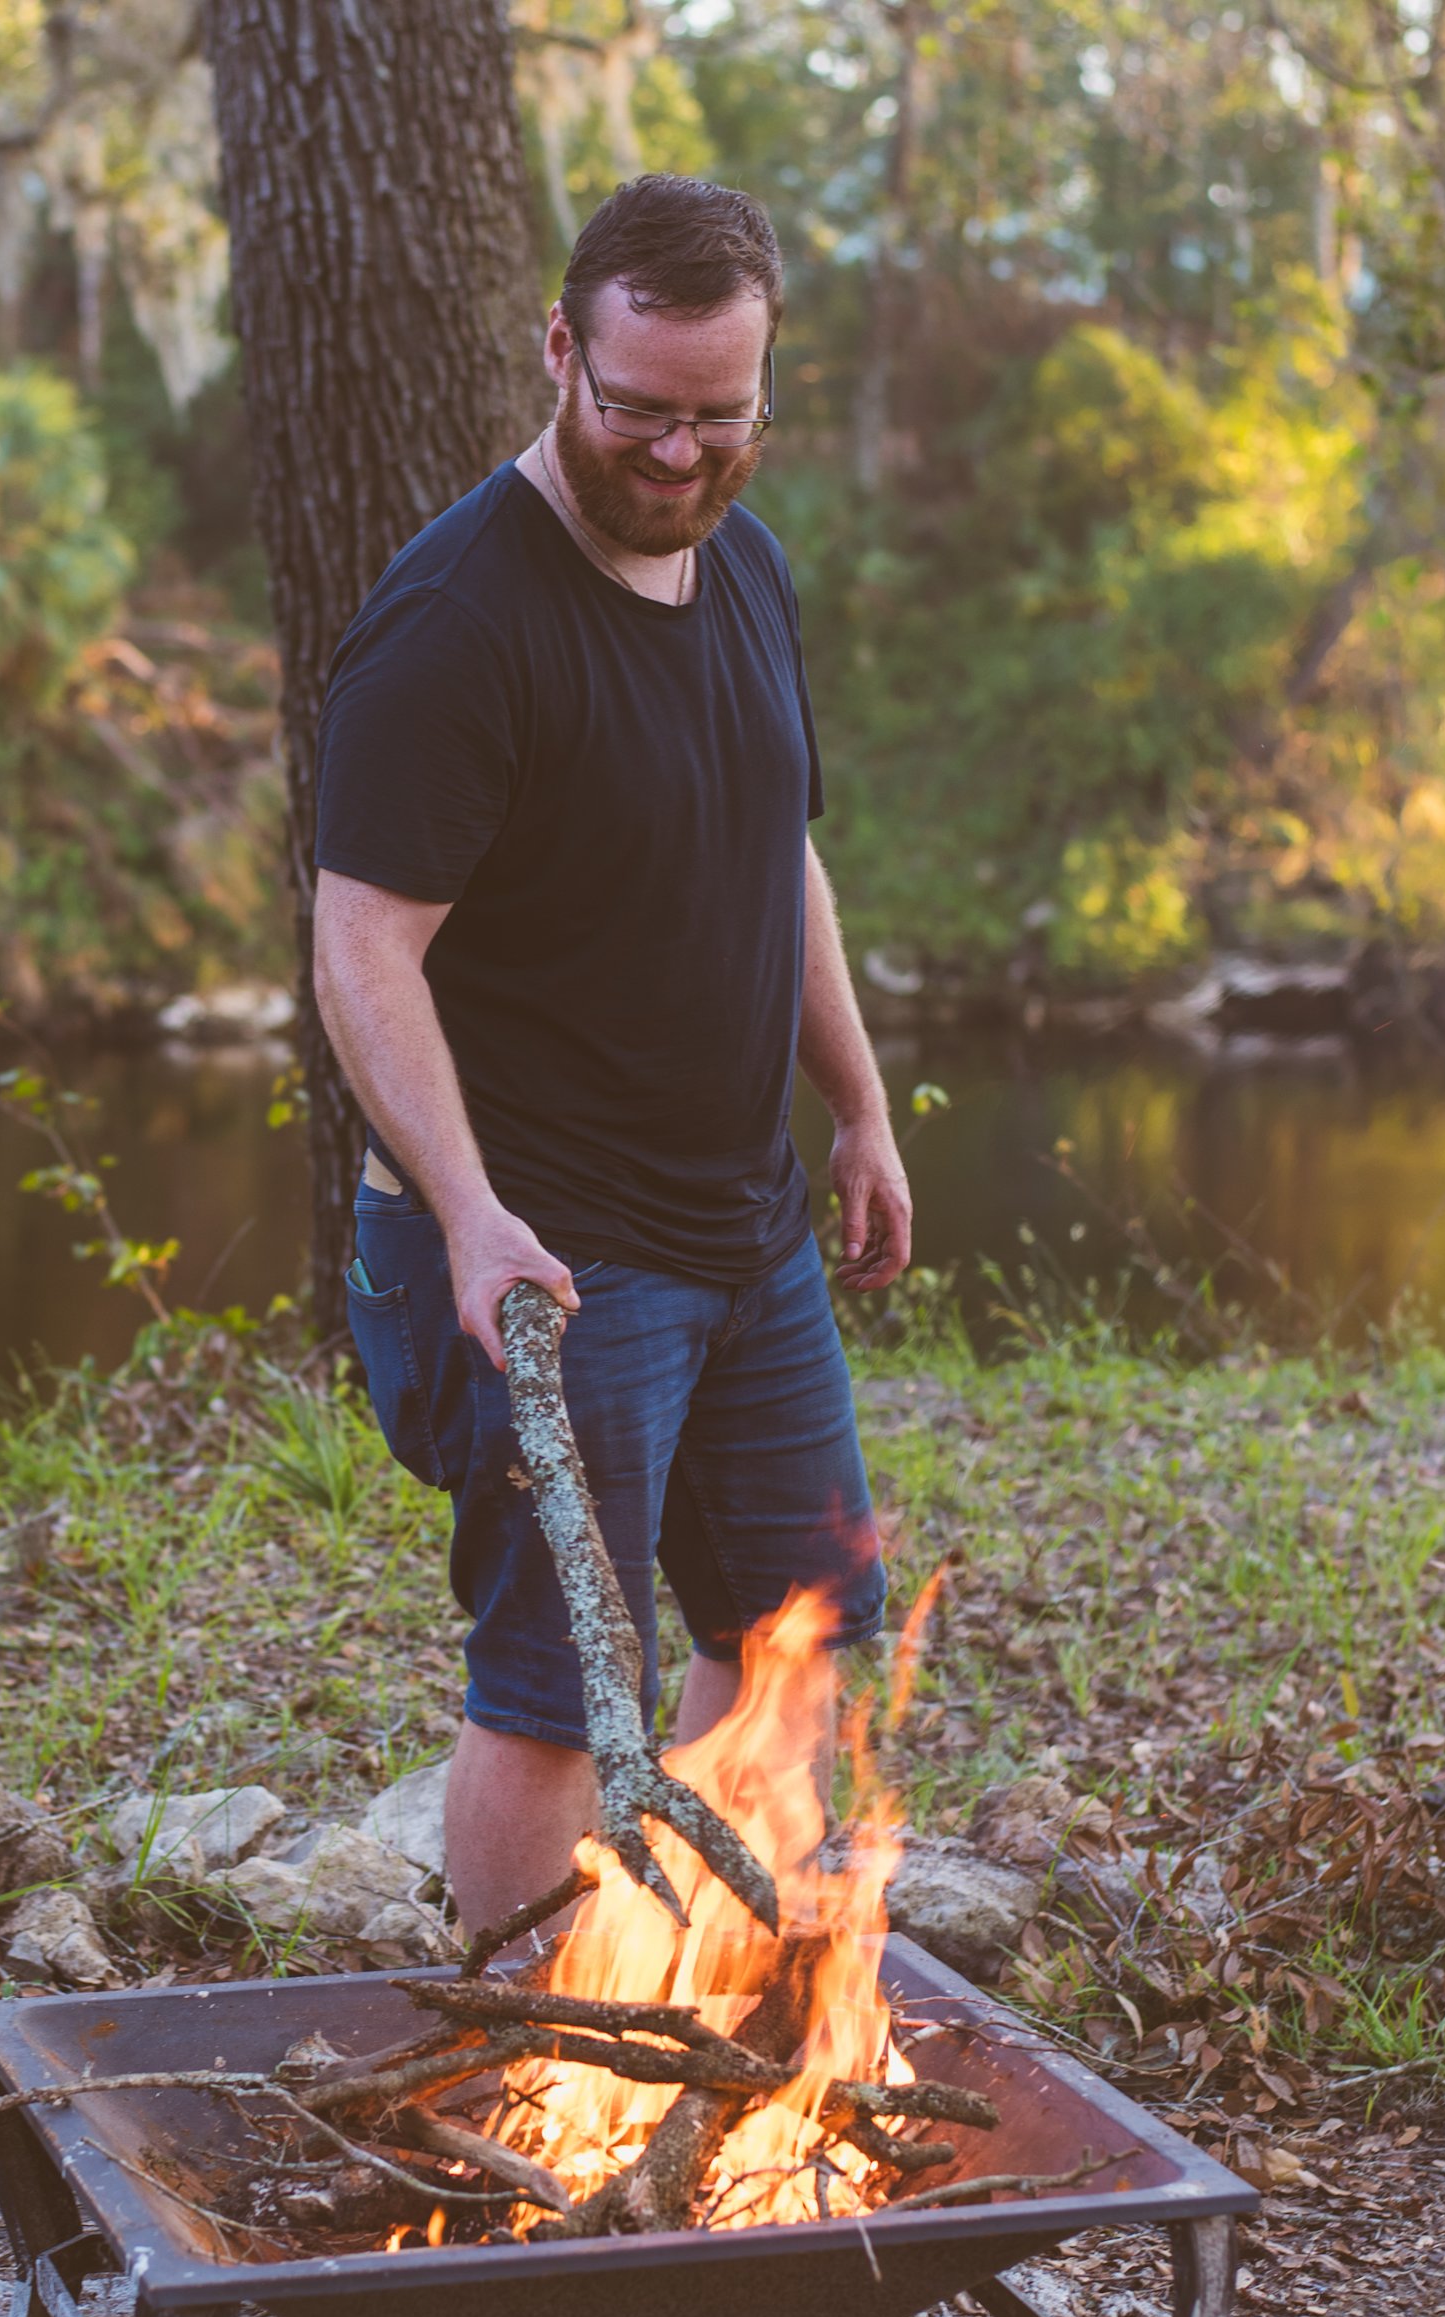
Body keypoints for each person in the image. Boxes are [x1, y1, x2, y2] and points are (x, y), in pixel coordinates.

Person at [312, 172, 912, 1935]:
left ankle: (683, 2017)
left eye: (718, 416)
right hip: (548, 1255)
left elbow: (774, 851)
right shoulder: (458, 626)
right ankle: (516, 2063)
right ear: (558, 349)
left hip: (747, 1230)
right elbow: (362, 952)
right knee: (565, 1685)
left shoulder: (747, 568)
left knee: (796, 1635)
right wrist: (475, 1217)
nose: (674, 453)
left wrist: (859, 1103)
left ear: (764, 383)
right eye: (637, 409)